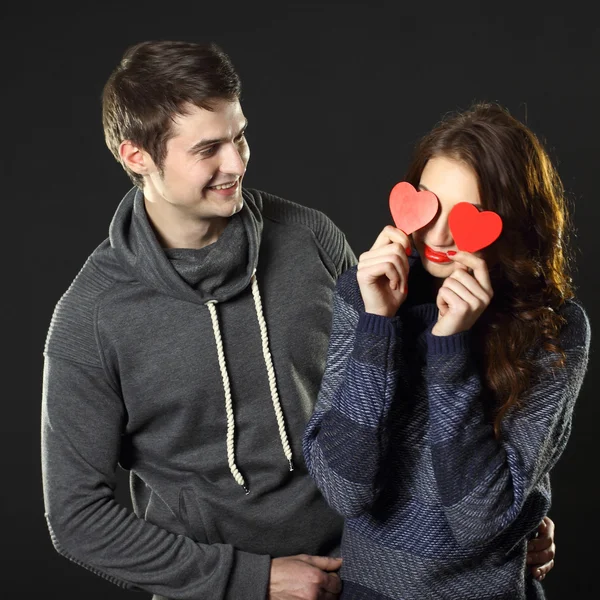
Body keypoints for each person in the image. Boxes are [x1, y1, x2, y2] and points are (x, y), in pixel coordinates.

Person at [40, 39, 555, 600]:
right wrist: (250, 581)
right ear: (136, 156)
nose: (235, 163)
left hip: (374, 574)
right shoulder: (91, 318)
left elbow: (417, 399)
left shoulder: (312, 238)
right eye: (207, 148)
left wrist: (520, 509)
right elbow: (77, 518)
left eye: (239, 135)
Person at [303, 103, 587, 599]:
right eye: (429, 208)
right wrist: (377, 328)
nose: (437, 236)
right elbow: (345, 489)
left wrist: (451, 348)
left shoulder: (553, 328)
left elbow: (479, 519)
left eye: (467, 215)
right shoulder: (366, 293)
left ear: (511, 219)